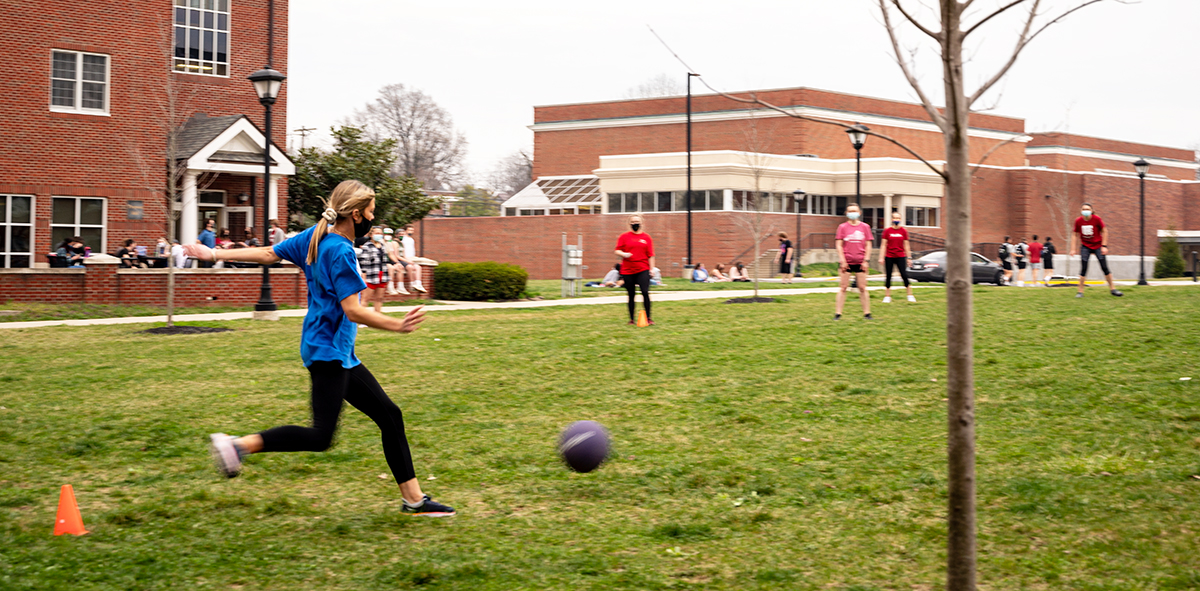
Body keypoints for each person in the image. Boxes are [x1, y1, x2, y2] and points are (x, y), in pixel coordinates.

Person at [185, 179, 453, 517]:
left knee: (390, 415)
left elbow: (269, 253)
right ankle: (238, 445)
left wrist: (214, 253)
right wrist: (396, 325)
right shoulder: (339, 250)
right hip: (329, 353)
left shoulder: (317, 235)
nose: (373, 220)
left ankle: (414, 499)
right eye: (371, 213)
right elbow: (353, 310)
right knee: (320, 436)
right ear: (356, 215)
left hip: (334, 350)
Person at [1070, 203, 1123, 297]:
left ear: (1091, 210)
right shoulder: (1078, 221)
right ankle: (1080, 292)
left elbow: (1104, 231)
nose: (1085, 211)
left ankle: (1113, 289)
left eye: (1087, 209)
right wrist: (1073, 249)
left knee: (1104, 267)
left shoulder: (1097, 219)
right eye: (1084, 209)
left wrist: (1104, 246)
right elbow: (1074, 234)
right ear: (1081, 211)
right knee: (1083, 269)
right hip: (1085, 246)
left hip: (1098, 245)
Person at [615, 214, 655, 325]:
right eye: (632, 222)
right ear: (629, 224)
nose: (635, 223)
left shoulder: (646, 238)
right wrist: (624, 254)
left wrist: (651, 269)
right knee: (631, 294)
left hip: (643, 268)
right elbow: (617, 250)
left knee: (645, 292)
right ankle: (631, 319)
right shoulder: (624, 236)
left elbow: (651, 254)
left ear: (641, 223)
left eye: (637, 221)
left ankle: (649, 318)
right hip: (628, 270)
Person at [835, 203, 873, 320]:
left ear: (860, 213)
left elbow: (868, 244)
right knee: (843, 287)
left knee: (862, 287)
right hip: (847, 261)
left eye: (854, 211)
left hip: (860, 261)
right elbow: (839, 245)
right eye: (850, 211)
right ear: (847, 214)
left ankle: (867, 313)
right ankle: (838, 314)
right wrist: (843, 260)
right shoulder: (842, 227)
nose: (852, 213)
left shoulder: (865, 227)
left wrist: (866, 260)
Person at [879, 210, 915, 303]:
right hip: (889, 256)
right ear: (892, 219)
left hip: (900, 256)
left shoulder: (903, 231)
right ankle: (887, 296)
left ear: (900, 219)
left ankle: (910, 295)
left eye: (898, 218)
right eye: (895, 218)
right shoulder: (887, 231)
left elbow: (906, 245)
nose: (896, 219)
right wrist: (881, 257)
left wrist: (909, 258)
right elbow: (883, 245)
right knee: (888, 276)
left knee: (904, 275)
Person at [358, 227, 388, 314]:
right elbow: (363, 262)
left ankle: (378, 317)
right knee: (365, 299)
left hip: (382, 275)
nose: (379, 235)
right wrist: (364, 277)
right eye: (376, 233)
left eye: (380, 233)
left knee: (379, 298)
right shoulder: (367, 246)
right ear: (371, 235)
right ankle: (362, 319)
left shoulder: (382, 246)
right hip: (371, 275)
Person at [400, 225, 427, 293]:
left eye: (412, 230)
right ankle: (412, 284)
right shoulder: (402, 239)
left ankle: (418, 284)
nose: (411, 232)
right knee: (411, 268)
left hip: (411, 258)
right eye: (410, 230)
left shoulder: (411, 239)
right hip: (405, 258)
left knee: (418, 267)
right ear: (405, 231)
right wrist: (406, 259)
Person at [384, 228, 409, 296]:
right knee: (391, 268)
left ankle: (400, 287)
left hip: (388, 261)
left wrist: (397, 263)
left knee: (399, 267)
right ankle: (390, 287)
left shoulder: (389, 243)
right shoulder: (380, 242)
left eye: (389, 234)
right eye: (386, 234)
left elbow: (391, 254)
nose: (388, 235)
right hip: (381, 262)